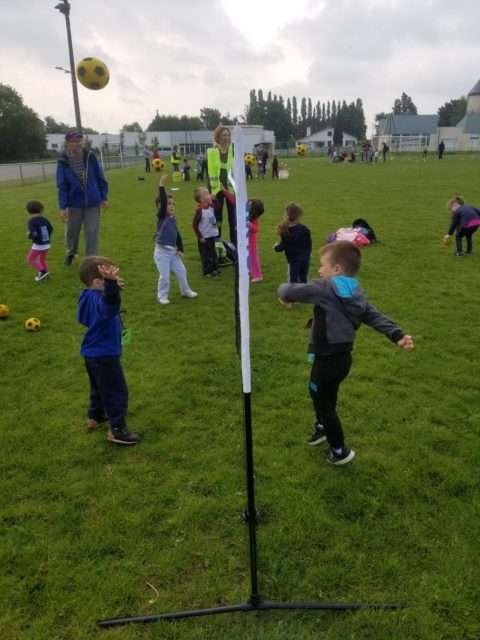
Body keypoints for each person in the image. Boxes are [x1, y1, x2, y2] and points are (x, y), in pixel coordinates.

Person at [277, 241, 414, 465]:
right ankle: (322, 426)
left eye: (323, 266)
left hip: (328, 359)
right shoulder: (356, 291)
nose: (320, 271)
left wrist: (284, 296)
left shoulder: (325, 287)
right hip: (342, 359)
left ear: (337, 269)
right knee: (322, 394)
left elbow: (287, 289)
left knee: (324, 402)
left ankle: (340, 451)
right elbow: (374, 316)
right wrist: (397, 334)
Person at [78, 256, 141, 445]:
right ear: (97, 281)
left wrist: (111, 287)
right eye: (111, 277)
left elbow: (84, 318)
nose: (116, 278)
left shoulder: (87, 295)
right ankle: (117, 429)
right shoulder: (103, 302)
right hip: (105, 354)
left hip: (91, 353)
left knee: (98, 387)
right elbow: (109, 307)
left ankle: (95, 416)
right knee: (116, 391)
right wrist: (111, 289)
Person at [56, 131, 109, 265]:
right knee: (72, 231)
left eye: (79, 140)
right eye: (74, 141)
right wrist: (62, 207)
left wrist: (104, 196)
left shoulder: (90, 157)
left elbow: (100, 177)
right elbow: (61, 185)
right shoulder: (63, 161)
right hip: (74, 202)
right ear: (68, 142)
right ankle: (71, 253)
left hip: (92, 201)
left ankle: (91, 260)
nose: (77, 143)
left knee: (92, 231)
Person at [154, 174, 198, 304]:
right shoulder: (161, 216)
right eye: (168, 204)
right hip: (162, 253)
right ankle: (162, 295)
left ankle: (185, 290)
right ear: (161, 207)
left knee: (182, 271)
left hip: (173, 251)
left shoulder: (173, 218)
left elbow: (177, 234)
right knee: (165, 276)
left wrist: (180, 249)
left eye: (173, 204)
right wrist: (161, 185)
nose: (172, 206)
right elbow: (162, 201)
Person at [207, 125, 236, 244]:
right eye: (224, 135)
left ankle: (235, 245)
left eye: (228, 135)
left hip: (231, 190)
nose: (226, 137)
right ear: (218, 137)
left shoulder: (233, 150)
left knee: (233, 219)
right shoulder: (212, 152)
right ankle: (217, 244)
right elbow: (210, 172)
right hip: (217, 190)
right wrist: (211, 192)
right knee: (217, 219)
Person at [274, 203, 312, 283]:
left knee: (292, 280)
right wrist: (308, 254)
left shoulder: (286, 231)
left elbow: (283, 245)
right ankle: (305, 292)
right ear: (299, 215)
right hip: (305, 258)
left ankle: (292, 294)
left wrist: (276, 247)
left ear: (286, 214)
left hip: (293, 260)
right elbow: (309, 245)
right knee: (304, 277)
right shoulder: (305, 229)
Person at [192, 186, 221, 277]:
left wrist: (215, 200)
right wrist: (200, 237)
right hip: (204, 237)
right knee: (206, 255)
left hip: (212, 235)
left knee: (213, 253)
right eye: (206, 194)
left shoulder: (211, 206)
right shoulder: (199, 211)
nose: (209, 195)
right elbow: (194, 225)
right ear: (201, 199)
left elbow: (218, 208)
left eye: (208, 193)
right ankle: (208, 271)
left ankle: (215, 268)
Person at [25, 200, 53, 282]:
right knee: (42, 260)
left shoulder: (31, 221)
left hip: (38, 245)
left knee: (30, 259)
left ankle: (42, 271)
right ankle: (46, 274)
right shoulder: (45, 219)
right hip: (47, 244)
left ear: (28, 211)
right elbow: (51, 229)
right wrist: (47, 238)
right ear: (41, 209)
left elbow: (34, 234)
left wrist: (29, 235)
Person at [248, 199, 265, 283]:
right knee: (248, 258)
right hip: (246, 240)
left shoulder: (254, 218)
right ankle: (250, 272)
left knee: (254, 258)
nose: (248, 205)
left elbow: (255, 229)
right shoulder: (247, 212)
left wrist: (248, 224)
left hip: (251, 242)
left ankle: (258, 276)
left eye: (250, 205)